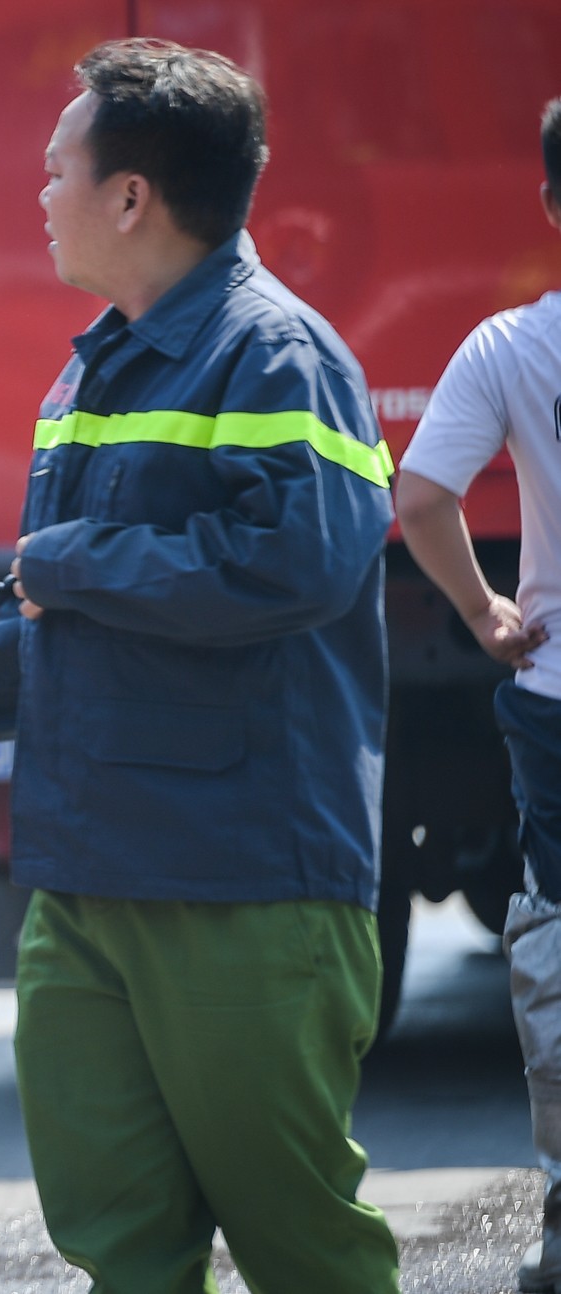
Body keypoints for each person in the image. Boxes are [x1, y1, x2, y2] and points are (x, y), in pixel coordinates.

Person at [0, 39, 401, 1291]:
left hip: (242, 879)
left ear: (130, 196)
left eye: (55, 173)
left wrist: (81, 556)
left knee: (300, 1246)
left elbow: (295, 566)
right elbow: (42, 603)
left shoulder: (278, 356)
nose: (39, 198)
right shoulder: (94, 362)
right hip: (87, 875)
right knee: (120, 1245)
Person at [394, 95, 561, 1294]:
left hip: (554, 698)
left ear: (549, 204)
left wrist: (483, 611)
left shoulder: (511, 347)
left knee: (559, 945)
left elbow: (418, 495)